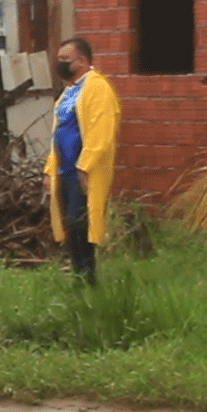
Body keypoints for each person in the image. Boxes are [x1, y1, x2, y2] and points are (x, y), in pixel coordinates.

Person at [45, 37, 120, 283]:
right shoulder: (68, 92)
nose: (61, 64)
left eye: (65, 60)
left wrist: (85, 165)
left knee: (82, 225)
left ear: (83, 61)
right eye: (59, 60)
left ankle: (89, 279)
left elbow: (101, 132)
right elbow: (57, 133)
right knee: (71, 226)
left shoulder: (97, 88)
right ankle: (79, 275)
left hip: (81, 171)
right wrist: (49, 171)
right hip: (64, 171)